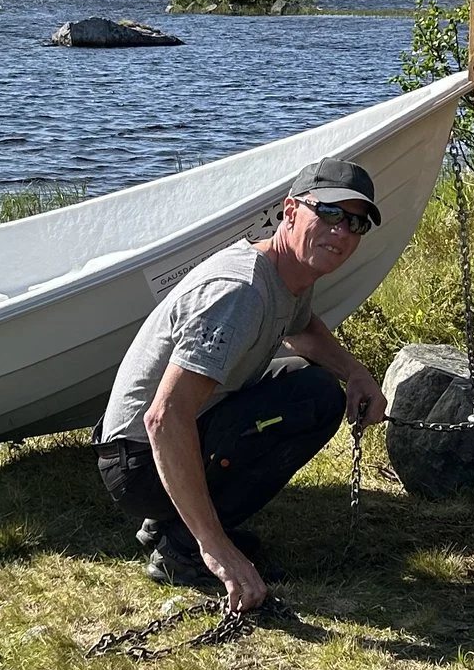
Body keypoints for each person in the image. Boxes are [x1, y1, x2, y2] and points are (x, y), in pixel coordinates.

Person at [95, 156, 389, 612]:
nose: (342, 232)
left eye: (356, 223)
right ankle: (186, 550)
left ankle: (174, 519)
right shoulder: (240, 292)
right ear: (291, 211)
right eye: (329, 213)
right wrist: (219, 549)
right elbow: (163, 418)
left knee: (311, 388)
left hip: (158, 441)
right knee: (312, 400)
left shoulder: (289, 270)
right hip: (136, 463)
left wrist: (355, 373)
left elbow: (302, 326)